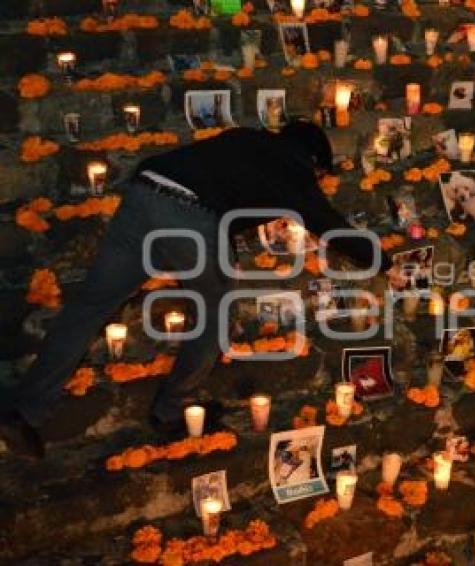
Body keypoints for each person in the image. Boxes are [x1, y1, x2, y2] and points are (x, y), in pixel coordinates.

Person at [1, 121, 393, 458]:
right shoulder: (294, 170)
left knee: (88, 308)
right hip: (189, 214)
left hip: (144, 192)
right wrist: (385, 261)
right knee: (217, 317)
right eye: (320, 174)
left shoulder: (244, 139)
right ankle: (171, 409)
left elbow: (229, 189)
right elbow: (330, 225)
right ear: (313, 161)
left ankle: (24, 411)